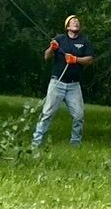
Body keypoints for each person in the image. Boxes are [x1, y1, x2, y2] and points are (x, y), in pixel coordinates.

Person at [32, 13, 92, 149]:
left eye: (77, 21)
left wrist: (75, 59)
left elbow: (89, 60)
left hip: (74, 86)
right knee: (47, 114)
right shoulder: (59, 39)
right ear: (67, 26)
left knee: (78, 116)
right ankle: (36, 143)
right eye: (73, 21)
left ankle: (75, 145)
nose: (76, 23)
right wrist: (51, 49)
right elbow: (46, 57)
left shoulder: (84, 41)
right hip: (57, 83)